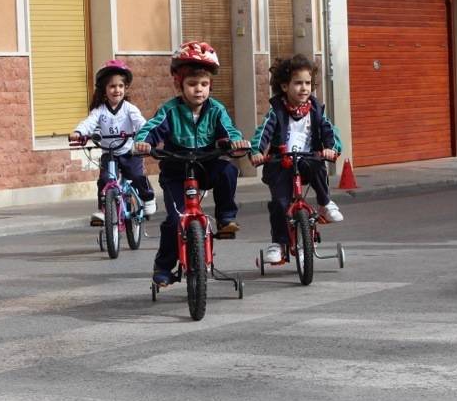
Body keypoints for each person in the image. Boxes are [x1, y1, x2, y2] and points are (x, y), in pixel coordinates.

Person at [132, 41, 250, 287]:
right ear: (179, 85)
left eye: (204, 85)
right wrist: (143, 143)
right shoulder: (170, 110)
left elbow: (229, 129)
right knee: (175, 221)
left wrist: (235, 141)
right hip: (176, 170)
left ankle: (226, 216)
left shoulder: (216, 109)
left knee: (228, 169)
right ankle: (164, 267)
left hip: (206, 164)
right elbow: (151, 129)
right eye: (192, 84)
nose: (199, 90)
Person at [250, 54, 344, 264]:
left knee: (319, 167)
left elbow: (330, 132)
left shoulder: (316, 110)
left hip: (307, 159)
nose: (304, 88)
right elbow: (263, 133)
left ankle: (324, 203)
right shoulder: (276, 111)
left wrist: (331, 148)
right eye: (298, 83)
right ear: (284, 86)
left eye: (308, 83)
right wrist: (257, 151)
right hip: (281, 163)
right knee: (279, 203)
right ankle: (279, 242)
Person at [68, 59, 156, 225]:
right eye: (112, 86)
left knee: (136, 176)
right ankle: (104, 210)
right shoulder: (99, 111)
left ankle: (148, 197)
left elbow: (141, 124)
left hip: (129, 152)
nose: (117, 90)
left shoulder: (129, 108)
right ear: (104, 90)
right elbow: (89, 123)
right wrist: (79, 132)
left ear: (125, 88)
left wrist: (144, 138)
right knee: (104, 181)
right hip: (109, 154)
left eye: (120, 86)